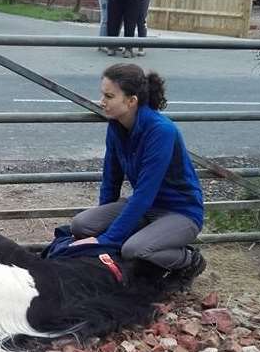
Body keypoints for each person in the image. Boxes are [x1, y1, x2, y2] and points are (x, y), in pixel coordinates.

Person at [70, 63, 206, 276]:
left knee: (134, 250)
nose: (101, 101)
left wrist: (106, 240)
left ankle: (189, 260)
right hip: (145, 207)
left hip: (180, 212)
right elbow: (111, 178)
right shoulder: (116, 126)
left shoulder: (161, 131)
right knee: (80, 225)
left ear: (131, 101)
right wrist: (102, 227)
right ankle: (141, 236)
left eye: (109, 96)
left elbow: (145, 192)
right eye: (102, 94)